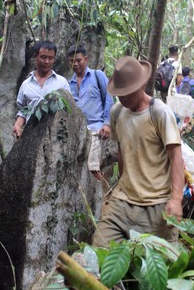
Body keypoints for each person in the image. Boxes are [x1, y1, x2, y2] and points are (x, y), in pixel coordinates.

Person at [92, 56, 184, 247]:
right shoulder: (117, 112)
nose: (122, 97)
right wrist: (119, 185)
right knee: (99, 249)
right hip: (123, 201)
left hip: (157, 203)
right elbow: (122, 151)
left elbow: (176, 157)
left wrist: (176, 199)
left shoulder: (159, 113)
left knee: (160, 265)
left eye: (127, 93)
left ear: (141, 86)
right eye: (119, 94)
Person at [67, 44, 114, 181]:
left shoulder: (97, 75)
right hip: (77, 129)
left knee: (92, 166)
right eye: (71, 61)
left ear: (86, 59)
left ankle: (101, 185)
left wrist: (107, 123)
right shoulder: (69, 84)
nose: (75, 64)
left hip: (96, 126)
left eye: (78, 60)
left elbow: (109, 98)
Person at [12, 41, 70, 139]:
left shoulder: (62, 83)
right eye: (43, 57)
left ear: (54, 59)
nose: (47, 61)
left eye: (50, 58)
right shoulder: (26, 84)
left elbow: (68, 110)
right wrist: (17, 125)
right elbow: (23, 110)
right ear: (36, 56)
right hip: (30, 135)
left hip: (54, 137)